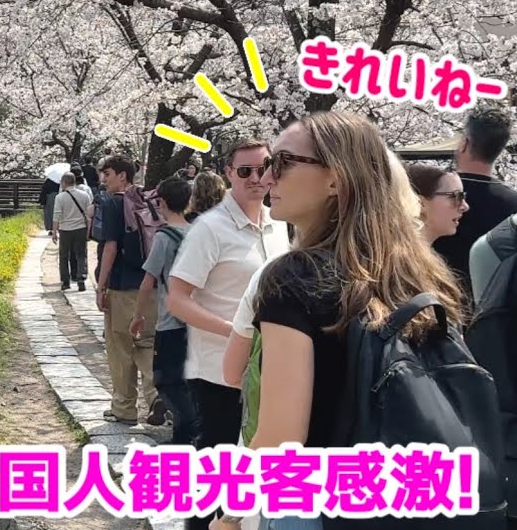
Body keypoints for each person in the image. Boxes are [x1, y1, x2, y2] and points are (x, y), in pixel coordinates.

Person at [212, 112, 477, 530]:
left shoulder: (292, 276)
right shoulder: (415, 272)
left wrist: (229, 516)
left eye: (281, 163)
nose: (266, 178)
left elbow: (282, 436)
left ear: (336, 180)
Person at [166, 139, 289, 530]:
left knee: (253, 459)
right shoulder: (211, 228)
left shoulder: (281, 224)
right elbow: (178, 299)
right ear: (228, 175)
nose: (257, 178)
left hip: (266, 368)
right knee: (215, 461)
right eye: (245, 171)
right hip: (218, 368)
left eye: (264, 167)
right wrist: (236, 333)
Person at [94, 155, 163, 426]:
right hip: (151, 286)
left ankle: (124, 408)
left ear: (122, 175)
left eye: (108, 173)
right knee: (146, 343)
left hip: (122, 287)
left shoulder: (113, 204)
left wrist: (101, 285)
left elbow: (110, 246)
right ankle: (157, 393)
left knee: (121, 346)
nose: (104, 179)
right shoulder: (146, 202)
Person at [130, 177, 197, 444]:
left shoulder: (164, 237)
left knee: (165, 380)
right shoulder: (199, 233)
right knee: (189, 380)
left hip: (171, 321)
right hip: (197, 320)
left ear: (162, 202)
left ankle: (186, 432)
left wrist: (138, 315)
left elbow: (148, 281)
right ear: (188, 201)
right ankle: (188, 431)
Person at [434, 106, 517, 307]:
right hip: (491, 310)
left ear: (464, 143)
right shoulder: (513, 203)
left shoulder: (434, 193)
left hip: (436, 300)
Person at [408, 164, 471, 245]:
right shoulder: (398, 256)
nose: (465, 207)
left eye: (462, 196)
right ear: (420, 203)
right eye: (456, 196)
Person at [52, 171, 92, 292]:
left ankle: (65, 281)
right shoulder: (84, 195)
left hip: (65, 230)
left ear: (64, 183)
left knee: (64, 256)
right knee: (81, 254)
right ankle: (81, 279)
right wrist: (89, 230)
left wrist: (54, 231)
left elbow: (57, 215)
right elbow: (89, 215)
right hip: (80, 228)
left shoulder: (60, 197)